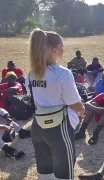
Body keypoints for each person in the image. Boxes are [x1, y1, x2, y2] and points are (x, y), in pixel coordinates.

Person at [26, 28, 85, 180]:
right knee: (64, 174)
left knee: (44, 173)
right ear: (53, 50)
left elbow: (33, 98)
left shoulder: (31, 74)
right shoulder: (63, 73)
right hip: (59, 129)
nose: (63, 51)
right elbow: (74, 103)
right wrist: (82, 110)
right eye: (62, 48)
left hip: (38, 127)